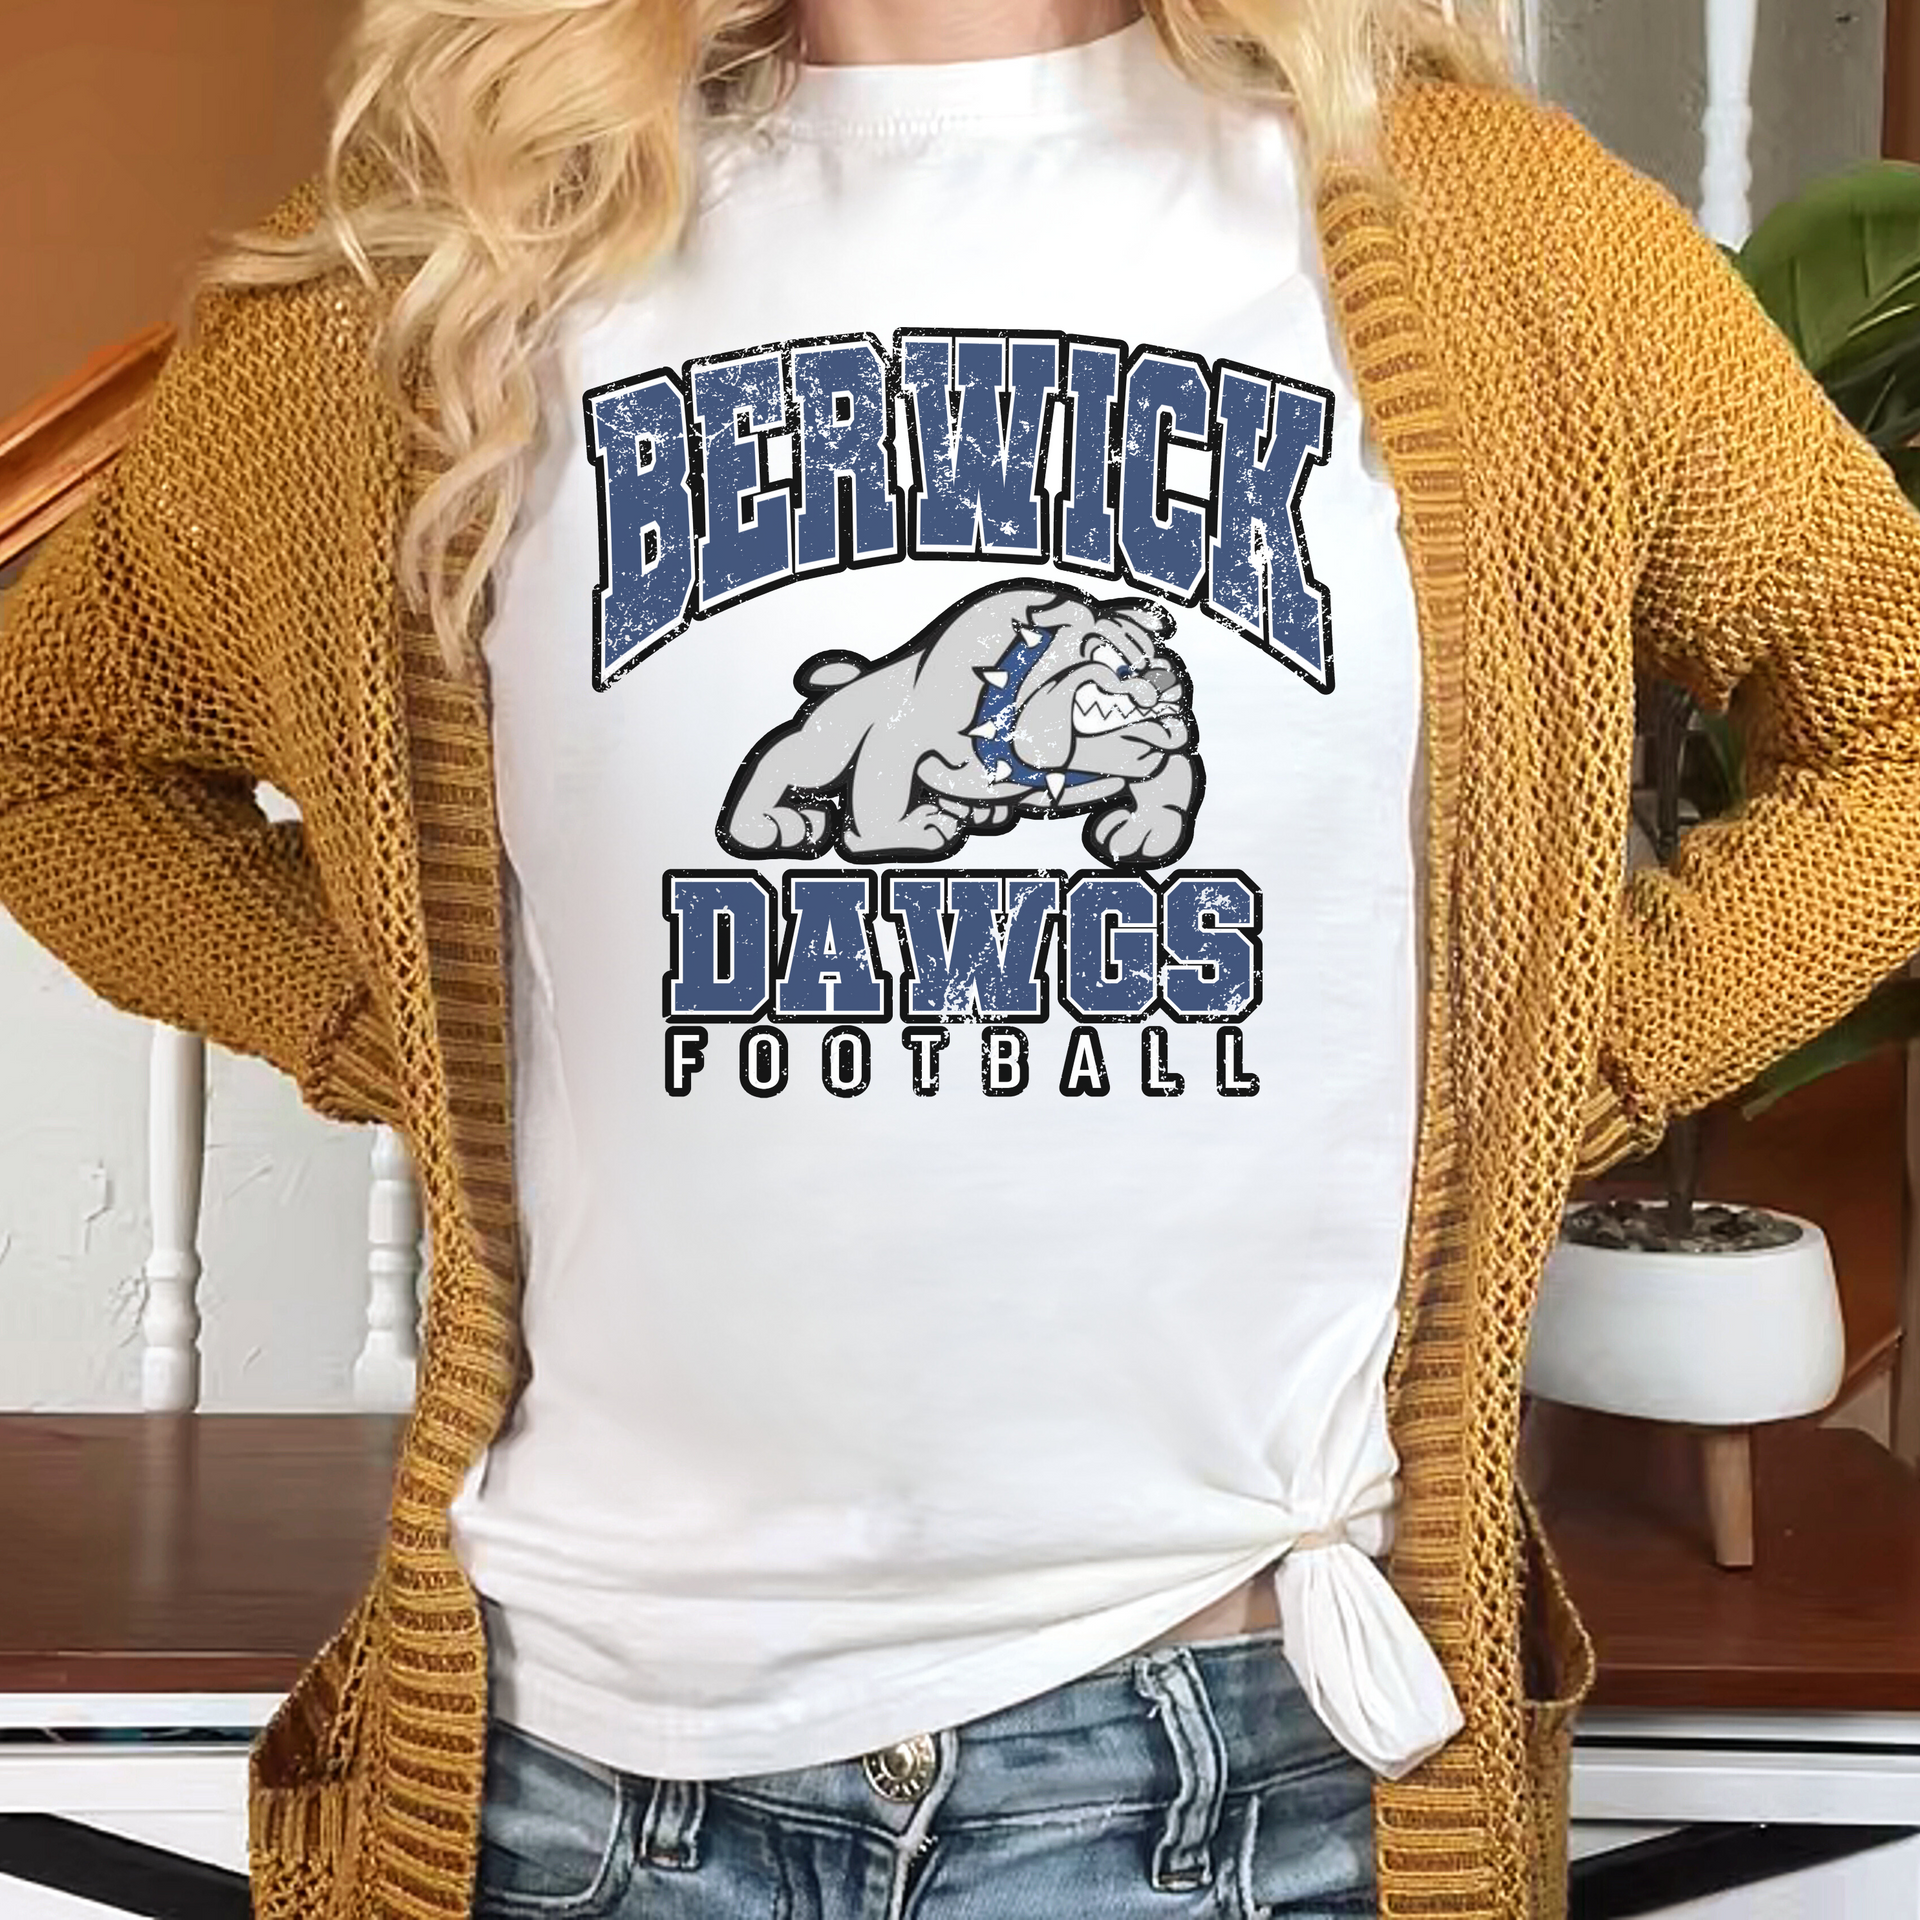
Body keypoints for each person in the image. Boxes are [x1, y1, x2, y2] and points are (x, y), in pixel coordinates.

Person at [4, 0, 1920, 1914]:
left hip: (1252, 1764)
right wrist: (389, 1025)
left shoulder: (1502, 243)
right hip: (588, 1781)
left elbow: (1891, 709)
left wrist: (1566, 1052)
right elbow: (47, 748)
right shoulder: (441, 263)